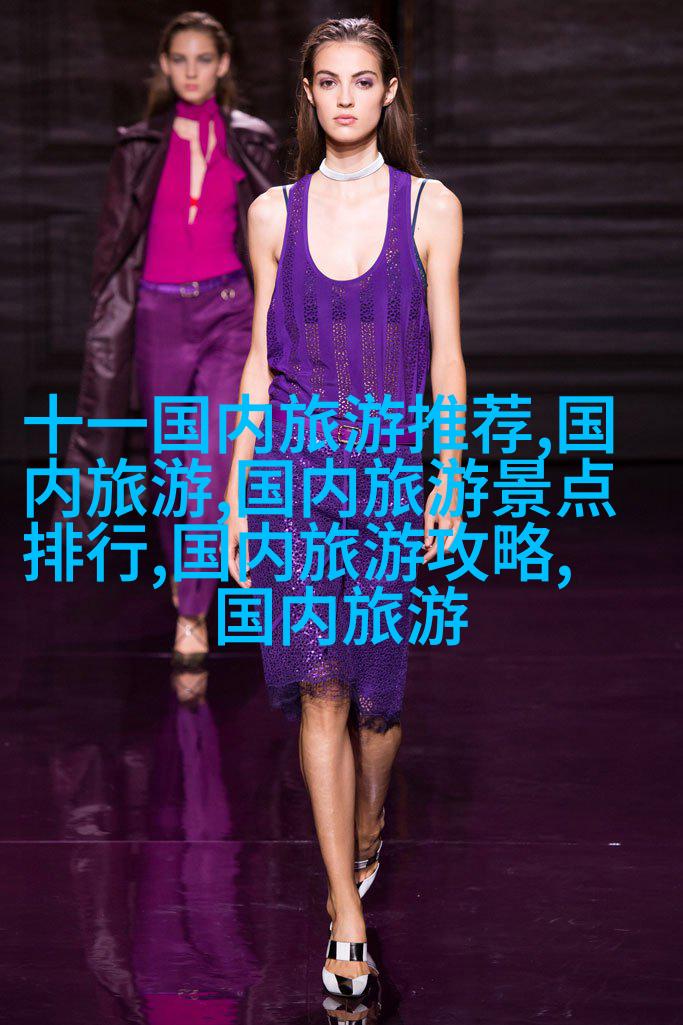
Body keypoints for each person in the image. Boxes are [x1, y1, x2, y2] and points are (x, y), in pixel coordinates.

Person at [225, 16, 465, 998]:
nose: (345, 98)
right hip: (295, 475)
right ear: (308, 94)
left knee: (379, 703)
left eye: (363, 81)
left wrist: (450, 474)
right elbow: (257, 359)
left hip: (388, 479)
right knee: (319, 687)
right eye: (328, 81)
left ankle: (369, 822)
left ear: (389, 91)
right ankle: (346, 911)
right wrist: (238, 490)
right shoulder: (272, 214)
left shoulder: (430, 208)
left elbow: (444, 356)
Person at [56, 11, 285, 666]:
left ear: (223, 65)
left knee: (212, 464)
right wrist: (107, 320)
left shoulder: (252, 141)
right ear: (163, 65)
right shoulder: (136, 146)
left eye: (203, 59)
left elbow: (277, 233)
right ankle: (190, 586)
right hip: (158, 315)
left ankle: (192, 612)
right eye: (179, 59)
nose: (191, 71)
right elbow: (113, 247)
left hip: (229, 312)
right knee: (171, 469)